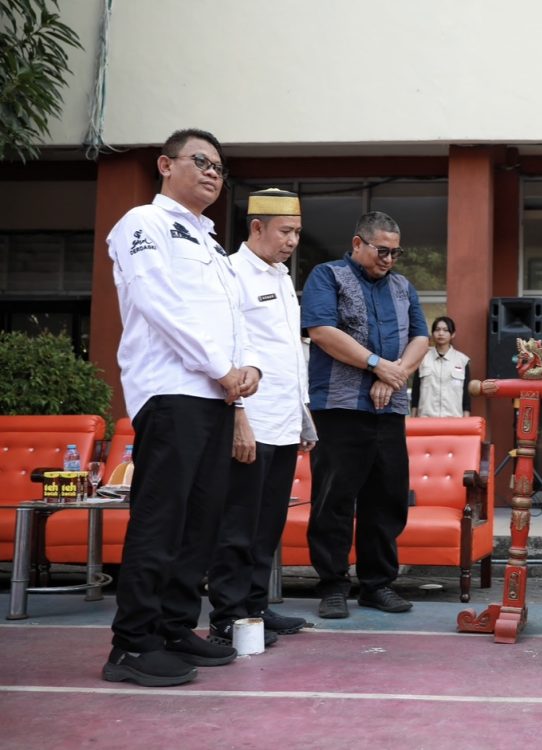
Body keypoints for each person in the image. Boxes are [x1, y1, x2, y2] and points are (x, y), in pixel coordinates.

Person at [103, 128, 261, 687]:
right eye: (201, 161)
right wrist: (219, 367)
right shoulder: (143, 225)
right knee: (161, 519)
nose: (213, 172)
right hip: (172, 392)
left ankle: (173, 627)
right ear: (165, 165)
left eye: (219, 165)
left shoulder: (213, 244)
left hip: (217, 396)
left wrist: (248, 369)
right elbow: (157, 303)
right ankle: (131, 644)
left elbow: (235, 317)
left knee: (200, 523)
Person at [300, 210, 429, 619]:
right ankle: (333, 585)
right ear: (358, 243)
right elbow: (321, 331)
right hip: (338, 407)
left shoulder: (404, 287)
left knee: (387, 498)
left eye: (396, 252)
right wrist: (376, 364)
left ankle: (377, 584)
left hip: (387, 408)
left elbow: (420, 337)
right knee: (334, 499)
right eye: (382, 250)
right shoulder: (327, 275)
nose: (389, 259)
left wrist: (393, 377)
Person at [205, 189, 318, 649]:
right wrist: (238, 416)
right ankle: (226, 615)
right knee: (238, 525)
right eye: (285, 231)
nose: (292, 241)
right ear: (257, 227)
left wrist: (304, 414)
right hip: (251, 420)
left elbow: (289, 353)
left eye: (296, 232)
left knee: (267, 523)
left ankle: (254, 607)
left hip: (285, 421)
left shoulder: (281, 277)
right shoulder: (232, 275)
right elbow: (230, 352)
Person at [410, 316, 471, 417]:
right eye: (437, 330)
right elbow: (415, 393)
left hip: (454, 420)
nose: (441, 333)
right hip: (426, 420)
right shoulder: (422, 359)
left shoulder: (462, 361)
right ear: (433, 333)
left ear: (453, 334)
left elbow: (466, 398)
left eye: (445, 330)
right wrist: (413, 418)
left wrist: (466, 421)